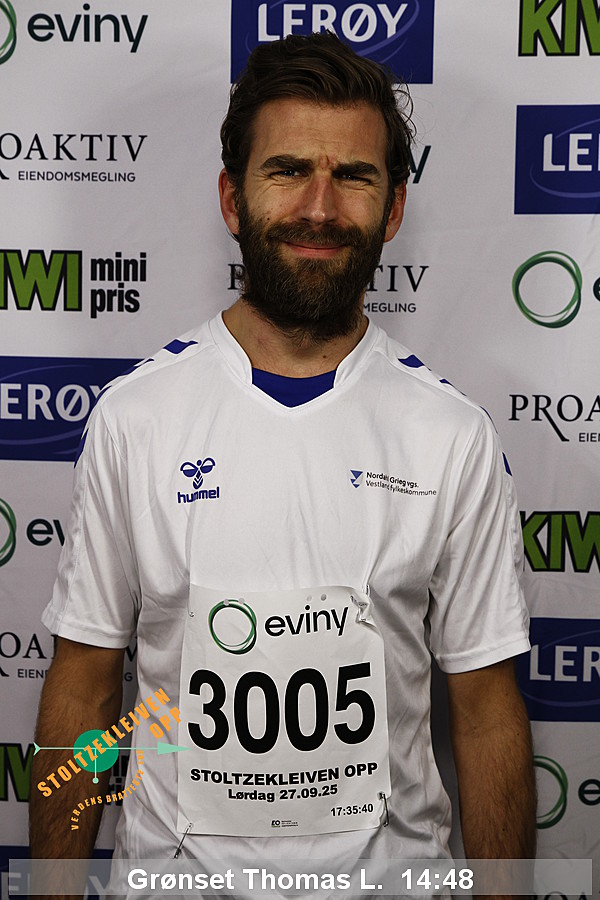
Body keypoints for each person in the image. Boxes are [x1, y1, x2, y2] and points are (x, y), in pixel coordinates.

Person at [30, 31, 536, 898]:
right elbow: (83, 686)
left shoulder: (449, 434)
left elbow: (486, 711)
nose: (319, 207)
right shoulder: (135, 419)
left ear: (394, 209)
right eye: (288, 170)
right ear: (233, 197)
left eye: (355, 176)